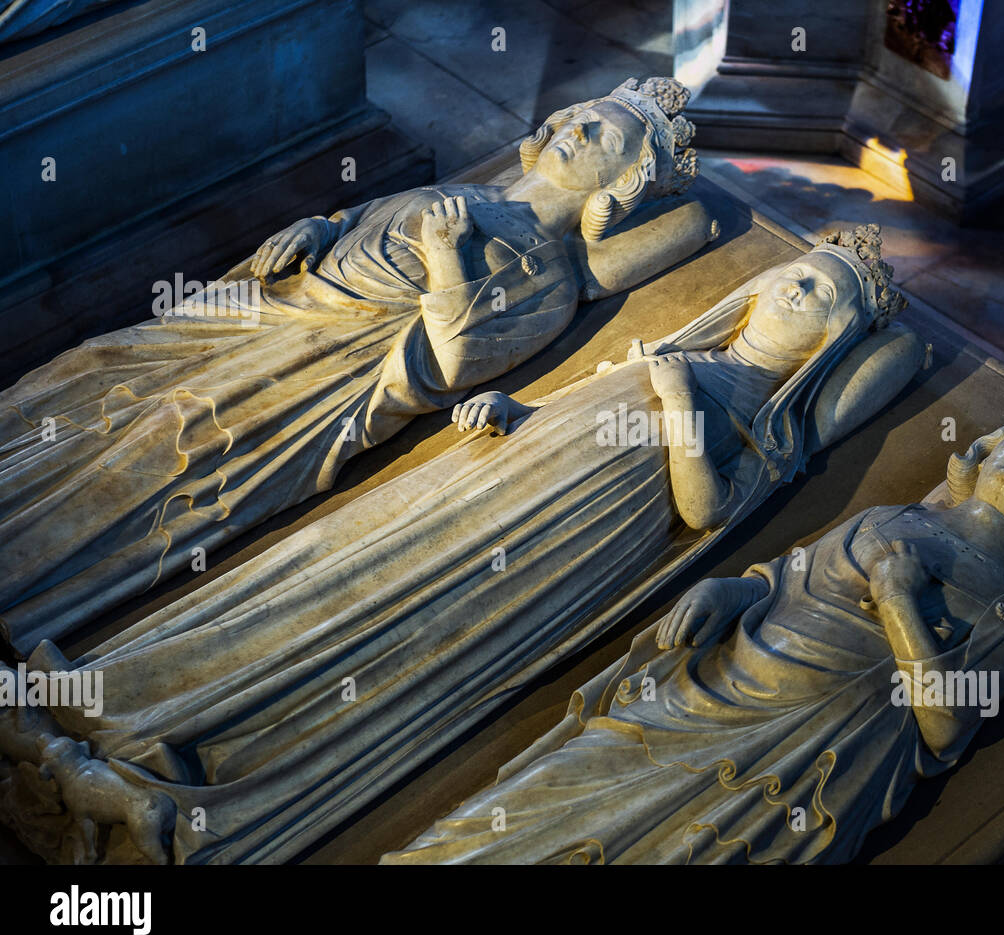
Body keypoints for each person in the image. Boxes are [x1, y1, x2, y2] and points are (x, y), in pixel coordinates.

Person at [0, 226, 926, 865]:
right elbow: (583, 398)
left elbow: (707, 510)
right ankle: (109, 706)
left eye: (817, 293)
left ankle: (185, 773)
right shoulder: (689, 348)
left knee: (406, 619)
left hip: (577, 531)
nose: (788, 286)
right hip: (493, 477)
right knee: (337, 566)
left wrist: (680, 401)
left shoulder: (756, 416)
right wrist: (517, 406)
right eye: (794, 272)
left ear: (831, 340)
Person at [0, 77, 711, 653]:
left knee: (166, 432)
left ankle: (26, 572)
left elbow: (454, 366)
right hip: (277, 304)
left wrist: (447, 258)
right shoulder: (481, 194)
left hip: (321, 372)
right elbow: (366, 213)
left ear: (622, 180)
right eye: (581, 116)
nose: (576, 132)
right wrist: (321, 225)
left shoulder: (550, 276)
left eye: (602, 137)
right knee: (101, 364)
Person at [383, 386, 1004, 865]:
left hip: (787, 755)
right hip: (708, 687)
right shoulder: (898, 514)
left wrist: (899, 599)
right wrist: (731, 590)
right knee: (533, 801)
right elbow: (787, 573)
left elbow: (946, 723)